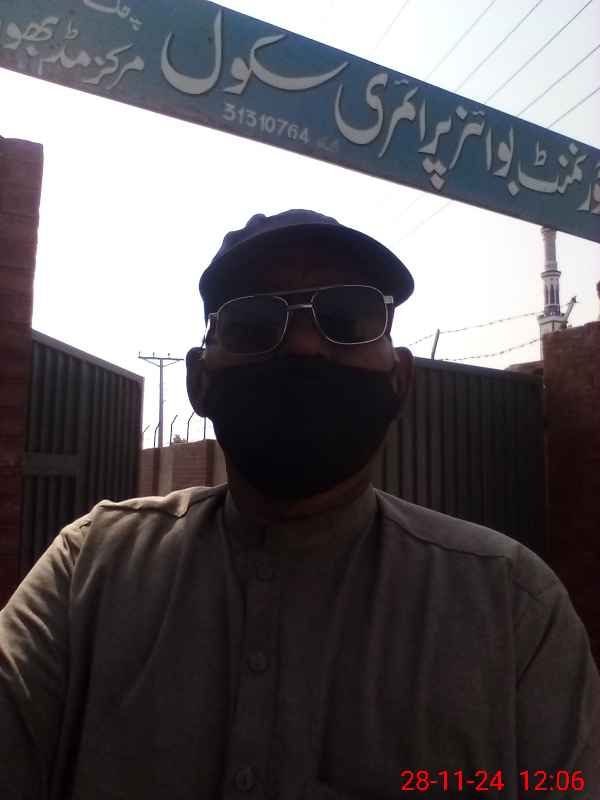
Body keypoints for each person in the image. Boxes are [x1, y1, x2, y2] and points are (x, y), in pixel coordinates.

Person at [1, 209, 599, 800]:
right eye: (253, 322)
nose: (305, 346)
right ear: (199, 381)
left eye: (348, 318)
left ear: (400, 379)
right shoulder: (88, 573)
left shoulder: (512, 608)